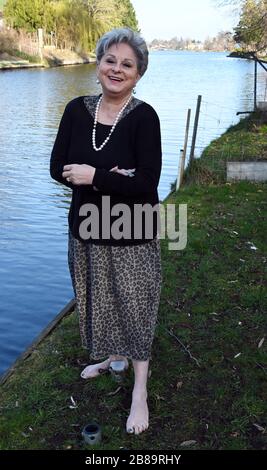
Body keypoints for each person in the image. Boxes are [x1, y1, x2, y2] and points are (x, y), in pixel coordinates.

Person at [50, 28, 162, 435]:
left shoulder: (144, 118)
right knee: (97, 297)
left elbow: (146, 183)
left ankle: (140, 392)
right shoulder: (76, 111)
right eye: (110, 60)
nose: (117, 69)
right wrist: (111, 178)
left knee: (135, 306)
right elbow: (56, 167)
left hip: (132, 229)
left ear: (138, 74)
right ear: (98, 64)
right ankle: (113, 359)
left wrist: (93, 176)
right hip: (86, 227)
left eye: (127, 65)